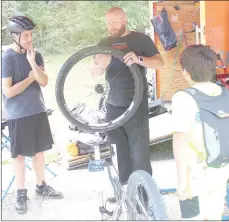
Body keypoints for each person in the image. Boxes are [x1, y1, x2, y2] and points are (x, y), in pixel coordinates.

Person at [91, 7, 164, 188]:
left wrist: (139, 59)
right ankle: (124, 192)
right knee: (118, 152)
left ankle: (145, 194)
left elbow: (160, 63)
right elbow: (94, 70)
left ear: (124, 19)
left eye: (114, 22)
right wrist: (100, 64)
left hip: (136, 103)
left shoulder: (140, 39)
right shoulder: (104, 42)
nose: (111, 27)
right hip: (112, 105)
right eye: (108, 23)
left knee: (139, 154)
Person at [2, 15, 63, 214]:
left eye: (30, 34)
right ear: (15, 36)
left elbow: (44, 81)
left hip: (37, 109)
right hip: (17, 114)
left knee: (39, 151)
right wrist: (29, 80)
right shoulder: (7, 58)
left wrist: (32, 63)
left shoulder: (36, 55)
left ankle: (41, 185)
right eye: (25, 35)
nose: (29, 39)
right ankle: (21, 193)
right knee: (19, 155)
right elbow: (8, 91)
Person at [172, 45, 229, 220]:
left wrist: (181, 181)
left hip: (195, 174)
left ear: (185, 72)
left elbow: (180, 139)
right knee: (214, 216)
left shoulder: (183, 98)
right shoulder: (224, 93)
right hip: (221, 169)